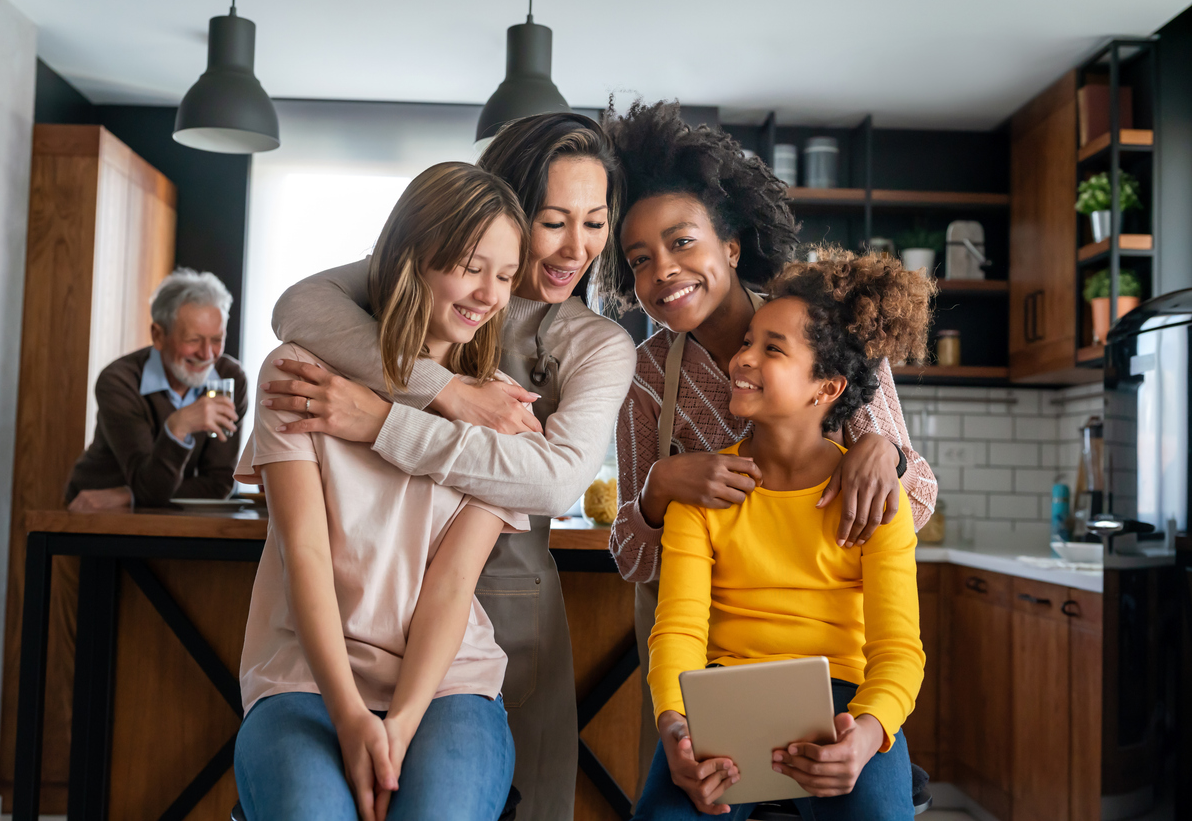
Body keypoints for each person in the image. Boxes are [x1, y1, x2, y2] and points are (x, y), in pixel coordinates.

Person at [259, 113, 637, 820]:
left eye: (595, 223)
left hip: (496, 614)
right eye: (553, 221)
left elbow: (554, 480)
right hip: (341, 634)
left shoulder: (592, 347)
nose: (576, 247)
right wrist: (447, 391)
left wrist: (379, 421)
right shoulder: (382, 310)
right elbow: (298, 307)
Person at [600, 102, 938, 795]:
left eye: (682, 242)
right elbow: (632, 559)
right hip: (709, 662)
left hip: (833, 662)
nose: (663, 270)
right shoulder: (643, 377)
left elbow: (916, 504)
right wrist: (658, 490)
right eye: (639, 260)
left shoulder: (827, 331)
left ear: (729, 246)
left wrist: (888, 455)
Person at [232, 162, 530, 821]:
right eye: (471, 267)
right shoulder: (298, 373)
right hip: (304, 675)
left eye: (506, 276)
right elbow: (305, 554)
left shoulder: (501, 411)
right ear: (411, 257)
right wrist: (348, 715)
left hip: (446, 682)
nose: (488, 294)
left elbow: (452, 585)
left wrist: (400, 726)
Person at [636, 248, 931, 820]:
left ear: (826, 388)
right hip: (723, 697)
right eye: (748, 341)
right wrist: (675, 724)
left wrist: (867, 734)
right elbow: (677, 630)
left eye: (771, 349)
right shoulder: (705, 490)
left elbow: (899, 651)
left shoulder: (876, 499)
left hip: (844, 700)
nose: (741, 358)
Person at [64, 268, 246, 510]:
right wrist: (177, 428)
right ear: (158, 335)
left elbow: (218, 485)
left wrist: (129, 495)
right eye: (193, 340)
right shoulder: (119, 382)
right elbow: (149, 487)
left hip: (163, 514)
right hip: (95, 510)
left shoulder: (231, 379)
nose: (207, 354)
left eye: (216, 340)